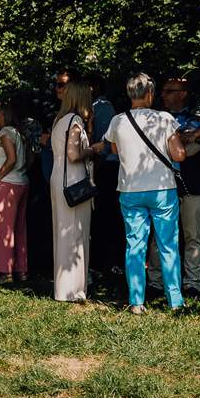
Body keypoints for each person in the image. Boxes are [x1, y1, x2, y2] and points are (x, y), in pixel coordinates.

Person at [104, 73, 187, 314]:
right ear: (149, 93)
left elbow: (113, 149)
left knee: (135, 245)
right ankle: (175, 301)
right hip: (162, 190)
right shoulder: (164, 119)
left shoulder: (118, 121)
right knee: (168, 245)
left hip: (130, 189)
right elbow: (179, 154)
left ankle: (136, 301)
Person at [147, 78, 200, 297]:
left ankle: (192, 283)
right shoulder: (156, 118)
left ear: (183, 94)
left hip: (196, 185)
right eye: (164, 90)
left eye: (169, 91)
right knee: (160, 235)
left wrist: (196, 133)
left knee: (193, 235)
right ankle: (155, 282)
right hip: (164, 184)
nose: (163, 95)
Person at [50, 80, 101, 302]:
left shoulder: (58, 121)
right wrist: (93, 150)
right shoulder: (75, 121)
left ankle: (64, 288)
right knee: (76, 234)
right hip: (74, 182)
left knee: (62, 234)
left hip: (58, 179)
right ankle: (73, 291)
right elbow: (73, 154)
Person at [0, 100, 29, 283]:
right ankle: (21, 269)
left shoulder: (5, 133)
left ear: (5, 114)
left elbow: (11, 159)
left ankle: (5, 271)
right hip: (20, 183)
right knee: (19, 228)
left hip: (6, 185)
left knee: (2, 227)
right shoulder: (17, 133)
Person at [89, 76, 124, 274]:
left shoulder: (101, 107)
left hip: (107, 168)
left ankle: (109, 262)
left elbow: (105, 146)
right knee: (104, 217)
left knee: (107, 216)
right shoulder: (98, 107)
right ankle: (104, 261)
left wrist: (97, 164)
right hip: (105, 167)